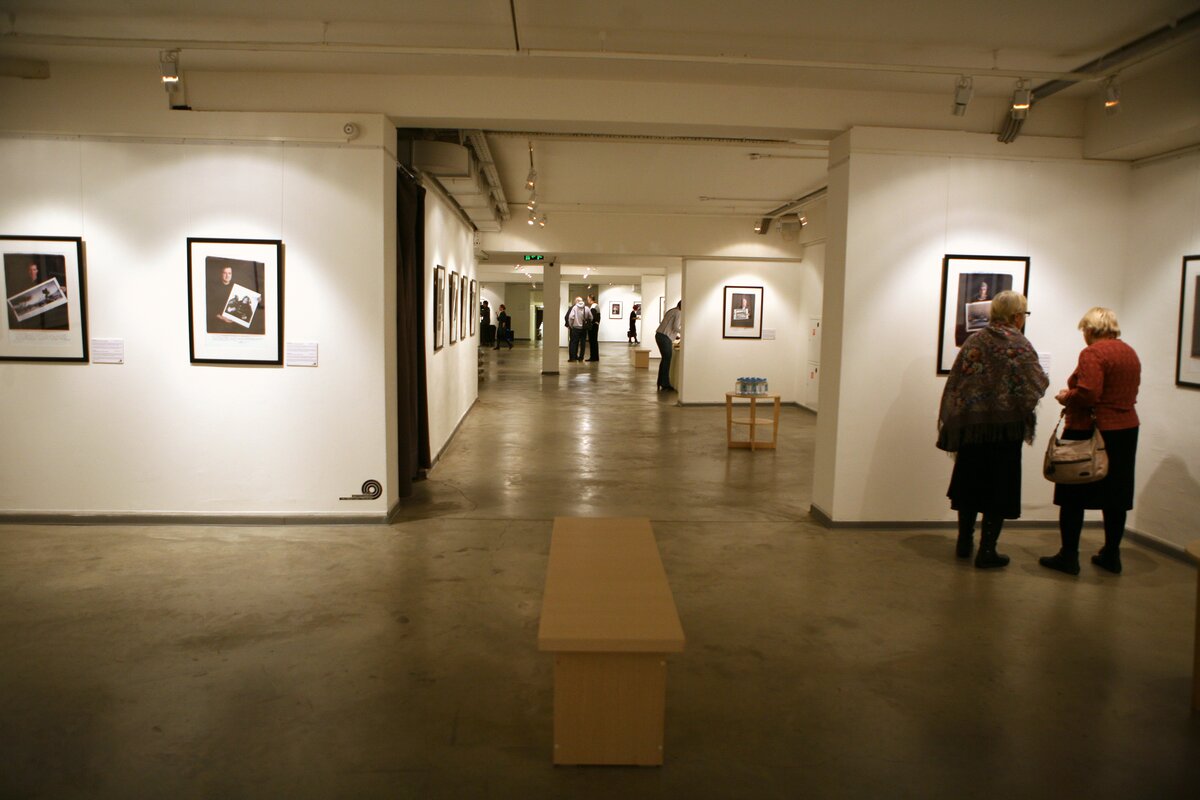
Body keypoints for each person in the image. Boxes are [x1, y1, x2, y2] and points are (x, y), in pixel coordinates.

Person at [937, 291, 1048, 568]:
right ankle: (987, 550)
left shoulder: (976, 341)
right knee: (999, 488)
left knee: (970, 485)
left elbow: (958, 382)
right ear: (1016, 316)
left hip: (973, 430)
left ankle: (964, 542)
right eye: (1024, 314)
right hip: (1005, 432)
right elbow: (1036, 383)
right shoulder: (1020, 345)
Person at [1039, 307, 1140, 576]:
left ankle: (1068, 556)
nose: (1083, 334)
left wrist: (1066, 396)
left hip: (1090, 430)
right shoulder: (1129, 352)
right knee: (1116, 496)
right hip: (1125, 430)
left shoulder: (1093, 353)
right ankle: (1111, 555)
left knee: (1073, 493)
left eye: (1084, 329)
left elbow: (1089, 394)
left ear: (1092, 329)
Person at [656, 300, 682, 392]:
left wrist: (675, 335)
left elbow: (669, 326)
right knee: (667, 360)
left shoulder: (672, 310)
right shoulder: (678, 312)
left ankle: (661, 382)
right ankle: (664, 384)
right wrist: (684, 331)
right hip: (664, 337)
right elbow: (675, 327)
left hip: (660, 335)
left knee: (665, 359)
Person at [565, 297, 591, 362]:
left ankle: (573, 358)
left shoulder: (574, 308)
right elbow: (591, 317)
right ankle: (581, 357)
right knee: (583, 343)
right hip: (584, 329)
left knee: (574, 343)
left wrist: (571, 325)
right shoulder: (587, 308)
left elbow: (571, 317)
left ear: (576, 301)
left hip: (575, 328)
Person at [586, 295, 601, 361]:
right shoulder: (596, 305)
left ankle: (593, 357)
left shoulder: (593, 306)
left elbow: (592, 317)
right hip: (595, 325)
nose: (587, 300)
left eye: (588, 299)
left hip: (593, 326)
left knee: (592, 341)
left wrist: (587, 321)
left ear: (590, 299)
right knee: (594, 341)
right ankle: (595, 357)